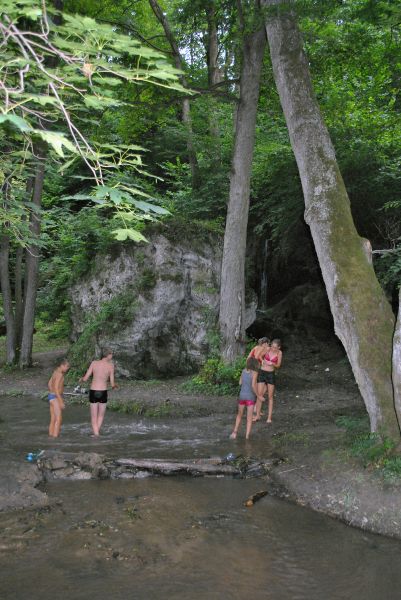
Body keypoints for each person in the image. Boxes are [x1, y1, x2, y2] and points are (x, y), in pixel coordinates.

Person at [80, 349, 117, 437]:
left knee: (93, 416)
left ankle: (96, 434)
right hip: (103, 392)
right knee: (100, 416)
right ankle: (96, 433)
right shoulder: (111, 366)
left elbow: (85, 379)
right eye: (111, 354)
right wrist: (115, 386)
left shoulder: (94, 363)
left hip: (93, 391)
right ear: (108, 355)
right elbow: (112, 383)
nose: (112, 356)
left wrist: (81, 379)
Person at [230, 357, 259, 440]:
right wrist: (258, 395)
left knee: (239, 415)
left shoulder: (243, 371)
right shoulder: (255, 373)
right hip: (250, 397)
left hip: (242, 396)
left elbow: (240, 383)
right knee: (249, 418)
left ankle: (234, 432)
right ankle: (247, 437)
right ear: (255, 364)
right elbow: (253, 386)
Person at [253, 338, 282, 424]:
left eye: (275, 348)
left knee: (270, 397)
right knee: (259, 394)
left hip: (270, 375)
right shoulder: (267, 349)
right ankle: (257, 415)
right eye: (272, 346)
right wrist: (262, 361)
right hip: (262, 373)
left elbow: (278, 365)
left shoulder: (279, 353)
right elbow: (258, 356)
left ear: (279, 347)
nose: (273, 349)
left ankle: (269, 418)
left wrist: (272, 363)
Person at [47, 358, 70, 437]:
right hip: (55, 398)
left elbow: (49, 384)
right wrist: (60, 401)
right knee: (58, 419)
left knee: (53, 419)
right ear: (62, 365)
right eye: (67, 366)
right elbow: (56, 388)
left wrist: (51, 392)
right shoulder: (60, 374)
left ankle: (51, 436)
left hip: (51, 396)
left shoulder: (55, 372)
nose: (67, 368)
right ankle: (55, 437)